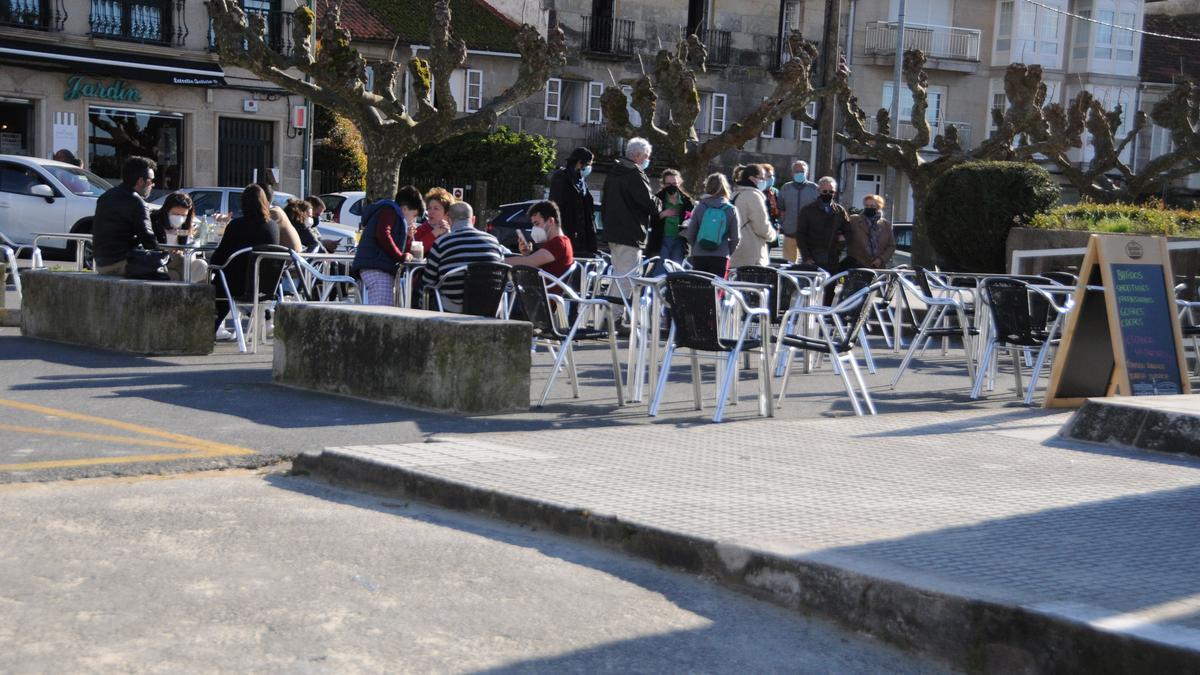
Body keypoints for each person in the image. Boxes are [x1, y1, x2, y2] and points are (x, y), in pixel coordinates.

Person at [601, 137, 659, 319]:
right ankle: (614, 318)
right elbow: (649, 204)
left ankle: (608, 316)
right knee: (627, 278)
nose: (647, 160)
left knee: (618, 275)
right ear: (638, 156)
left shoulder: (614, 173)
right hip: (630, 233)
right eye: (647, 156)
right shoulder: (634, 174)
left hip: (614, 232)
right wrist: (659, 201)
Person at [210, 184, 280, 331]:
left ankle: (211, 327)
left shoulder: (236, 225)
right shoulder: (273, 227)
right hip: (265, 285)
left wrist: (212, 264)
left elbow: (220, 257)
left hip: (237, 284)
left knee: (218, 280)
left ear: (243, 203)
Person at [424, 201, 505, 313]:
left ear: (450, 221)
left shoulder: (441, 243)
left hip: (453, 307)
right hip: (491, 306)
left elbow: (428, 281)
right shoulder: (494, 241)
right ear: (473, 220)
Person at [351, 185, 422, 306]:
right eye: (414, 216)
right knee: (382, 311)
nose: (413, 220)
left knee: (382, 308)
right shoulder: (390, 211)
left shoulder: (391, 212)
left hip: (374, 266)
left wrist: (408, 236)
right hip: (377, 268)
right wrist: (401, 256)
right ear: (404, 209)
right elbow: (383, 234)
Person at [92, 156, 158, 277]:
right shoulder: (137, 202)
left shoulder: (106, 196)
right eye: (151, 180)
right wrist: (165, 251)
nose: (153, 185)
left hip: (101, 264)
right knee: (174, 270)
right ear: (140, 181)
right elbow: (149, 241)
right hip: (121, 263)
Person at [683, 173, 740, 278]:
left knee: (699, 287)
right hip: (721, 255)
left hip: (699, 255)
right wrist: (727, 251)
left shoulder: (700, 207)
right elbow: (736, 237)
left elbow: (691, 233)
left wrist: (696, 246)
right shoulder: (731, 209)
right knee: (717, 289)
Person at [506, 200, 575, 279]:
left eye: (537, 224)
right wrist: (526, 254)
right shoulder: (561, 242)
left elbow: (529, 262)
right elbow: (531, 264)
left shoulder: (558, 243)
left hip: (543, 290)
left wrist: (498, 260)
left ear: (550, 221)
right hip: (540, 288)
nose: (534, 228)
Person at [149, 191, 208, 283]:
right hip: (161, 261)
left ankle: (192, 293)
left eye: (183, 215)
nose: (180, 218)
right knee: (175, 272)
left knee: (202, 265)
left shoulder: (186, 225)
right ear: (167, 210)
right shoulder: (154, 221)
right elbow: (149, 244)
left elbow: (191, 247)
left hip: (182, 261)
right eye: (176, 214)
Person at [795, 177, 851, 273]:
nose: (828, 194)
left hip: (832, 259)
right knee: (814, 287)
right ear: (819, 190)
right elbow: (800, 235)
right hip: (813, 258)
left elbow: (848, 231)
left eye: (831, 192)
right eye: (825, 191)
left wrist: (839, 247)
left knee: (830, 287)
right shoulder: (808, 210)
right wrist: (807, 256)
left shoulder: (839, 211)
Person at [548, 147, 597, 256]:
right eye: (588, 164)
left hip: (583, 237)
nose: (589, 167)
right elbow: (556, 206)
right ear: (580, 163)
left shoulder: (581, 181)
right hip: (568, 233)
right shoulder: (561, 177)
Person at [728, 163, 777, 270]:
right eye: (762, 178)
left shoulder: (734, 194)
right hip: (750, 253)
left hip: (733, 250)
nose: (764, 181)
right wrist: (772, 235)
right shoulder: (754, 196)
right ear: (752, 178)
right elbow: (761, 226)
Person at [646, 168, 693, 274]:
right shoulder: (656, 199)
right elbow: (648, 221)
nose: (672, 186)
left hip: (680, 240)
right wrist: (662, 214)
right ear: (663, 184)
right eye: (668, 184)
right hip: (661, 240)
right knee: (660, 271)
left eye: (674, 183)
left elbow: (691, 219)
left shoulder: (687, 201)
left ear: (679, 183)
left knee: (677, 271)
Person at [778, 160, 820, 263]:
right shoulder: (785, 188)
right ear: (792, 173)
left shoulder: (814, 188)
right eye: (796, 171)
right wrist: (782, 225)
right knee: (788, 264)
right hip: (790, 232)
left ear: (807, 173)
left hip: (809, 234)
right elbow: (781, 209)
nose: (799, 173)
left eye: (802, 171)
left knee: (810, 263)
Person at [845, 194, 896, 270]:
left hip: (877, 268)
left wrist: (881, 259)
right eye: (867, 206)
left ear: (878, 207)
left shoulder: (886, 225)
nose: (869, 208)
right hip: (857, 266)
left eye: (872, 206)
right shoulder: (854, 220)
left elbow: (891, 246)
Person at [258, 181, 303, 252]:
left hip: (288, 259)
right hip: (286, 256)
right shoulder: (276, 210)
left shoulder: (274, 213)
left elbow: (256, 231)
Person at [413, 187, 455, 256]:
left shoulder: (454, 229)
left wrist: (448, 234)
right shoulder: (420, 230)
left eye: (436, 208)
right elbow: (414, 254)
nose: (431, 212)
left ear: (447, 213)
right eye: (429, 208)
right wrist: (434, 233)